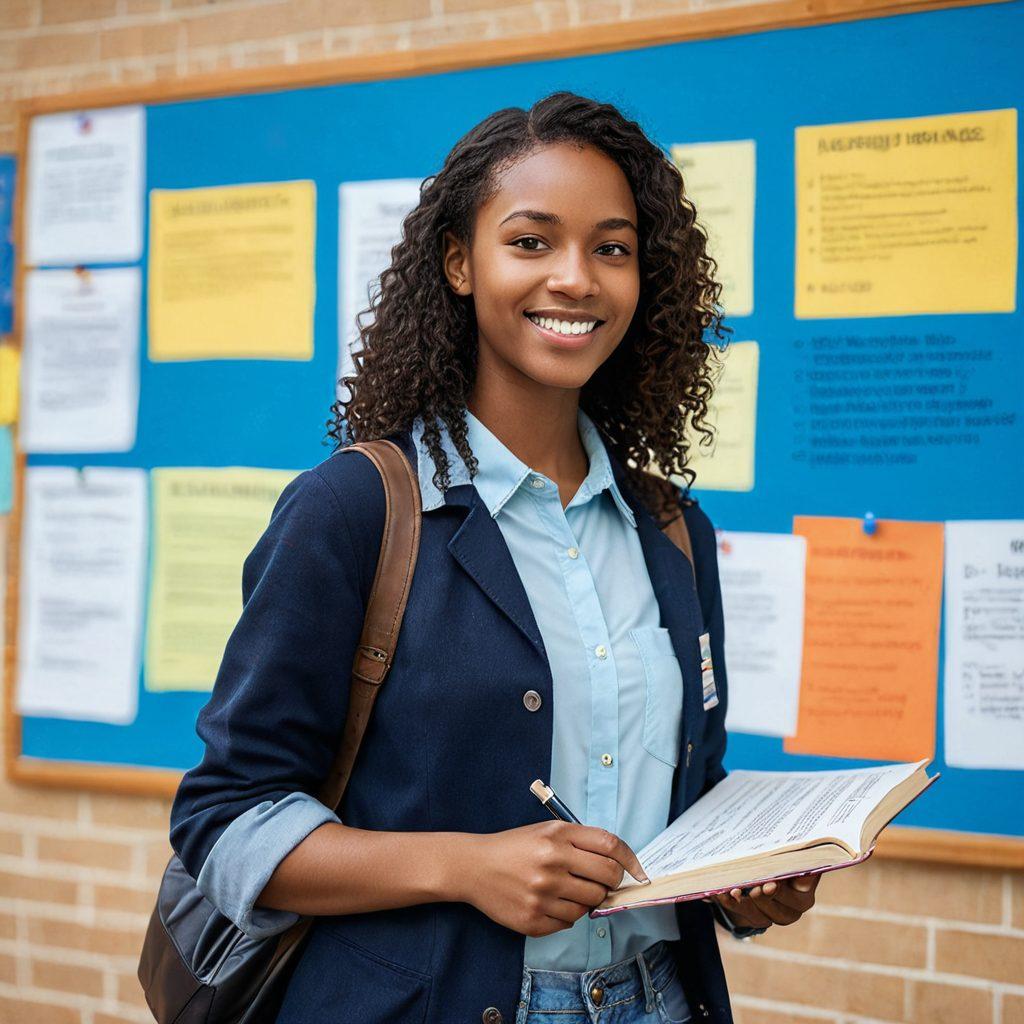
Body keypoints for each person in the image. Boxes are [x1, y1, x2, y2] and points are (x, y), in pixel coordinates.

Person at [168, 91, 819, 1024]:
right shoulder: (355, 510)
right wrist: (468, 865)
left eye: (612, 247)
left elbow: (685, 794)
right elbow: (224, 823)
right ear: (458, 264)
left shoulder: (671, 529)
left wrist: (745, 884)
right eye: (530, 242)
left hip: (662, 1000)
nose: (577, 278)